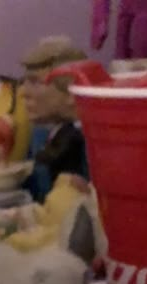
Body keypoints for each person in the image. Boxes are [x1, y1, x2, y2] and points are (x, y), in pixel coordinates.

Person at [19, 36, 88, 203]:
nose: (23, 92)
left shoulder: (89, 144)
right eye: (24, 81)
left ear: (71, 91)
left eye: (35, 82)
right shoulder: (40, 133)